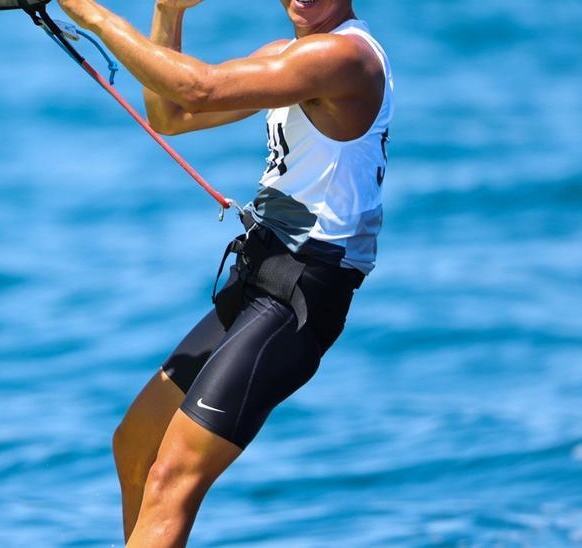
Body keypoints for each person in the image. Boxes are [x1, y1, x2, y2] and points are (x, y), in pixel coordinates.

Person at [55, 0, 394, 545]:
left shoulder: (345, 56)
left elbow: (199, 88)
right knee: (137, 445)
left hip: (300, 297)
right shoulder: (288, 55)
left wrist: (90, 14)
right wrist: (169, 10)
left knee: (173, 478)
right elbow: (172, 115)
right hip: (260, 277)